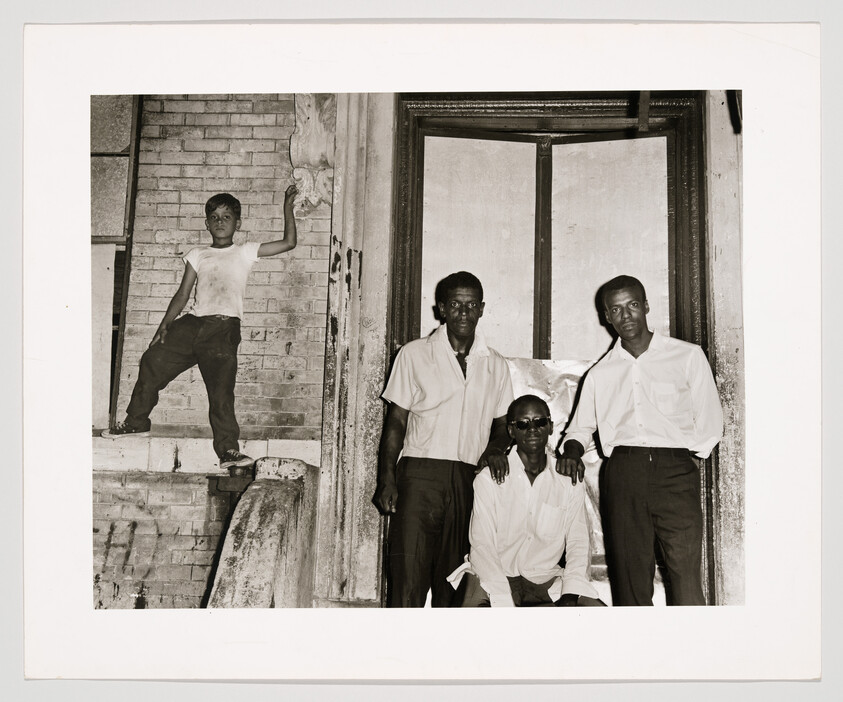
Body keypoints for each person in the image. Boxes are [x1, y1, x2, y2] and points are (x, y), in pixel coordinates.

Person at [102, 184, 299, 473]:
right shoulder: (198, 253)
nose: (220, 222)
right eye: (215, 217)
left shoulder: (245, 251)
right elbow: (183, 294)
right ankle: (136, 422)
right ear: (207, 224)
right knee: (152, 359)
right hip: (193, 323)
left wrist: (287, 206)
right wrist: (164, 327)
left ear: (238, 223)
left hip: (223, 329)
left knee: (220, 390)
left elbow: (288, 243)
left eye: (226, 217)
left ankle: (229, 449)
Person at [557, 275, 723, 606]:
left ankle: (697, 652)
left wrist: (677, 458)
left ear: (646, 306)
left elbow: (710, 423)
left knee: (685, 574)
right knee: (630, 579)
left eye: (632, 305)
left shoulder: (686, 356)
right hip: (623, 474)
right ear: (607, 317)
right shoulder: (600, 373)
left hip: (674, 472)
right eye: (615, 310)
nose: (625, 316)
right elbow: (578, 430)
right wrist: (572, 452)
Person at [373, 271, 514, 607]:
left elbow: (503, 424)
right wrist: (387, 479)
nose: (463, 312)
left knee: (454, 585)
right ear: (441, 310)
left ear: (481, 309)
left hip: (468, 481)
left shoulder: (496, 364)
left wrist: (496, 448)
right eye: (455, 304)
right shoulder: (414, 354)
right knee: (407, 579)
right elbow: (395, 422)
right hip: (419, 477)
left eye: (470, 305)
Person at [451, 394, 603, 607]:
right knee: (475, 619)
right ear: (511, 431)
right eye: (522, 424)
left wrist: (570, 593)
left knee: (597, 616)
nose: (532, 429)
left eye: (540, 422)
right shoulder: (489, 479)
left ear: (550, 426)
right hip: (494, 577)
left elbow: (579, 543)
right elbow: (482, 546)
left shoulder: (568, 480)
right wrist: (503, 599)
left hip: (545, 579)